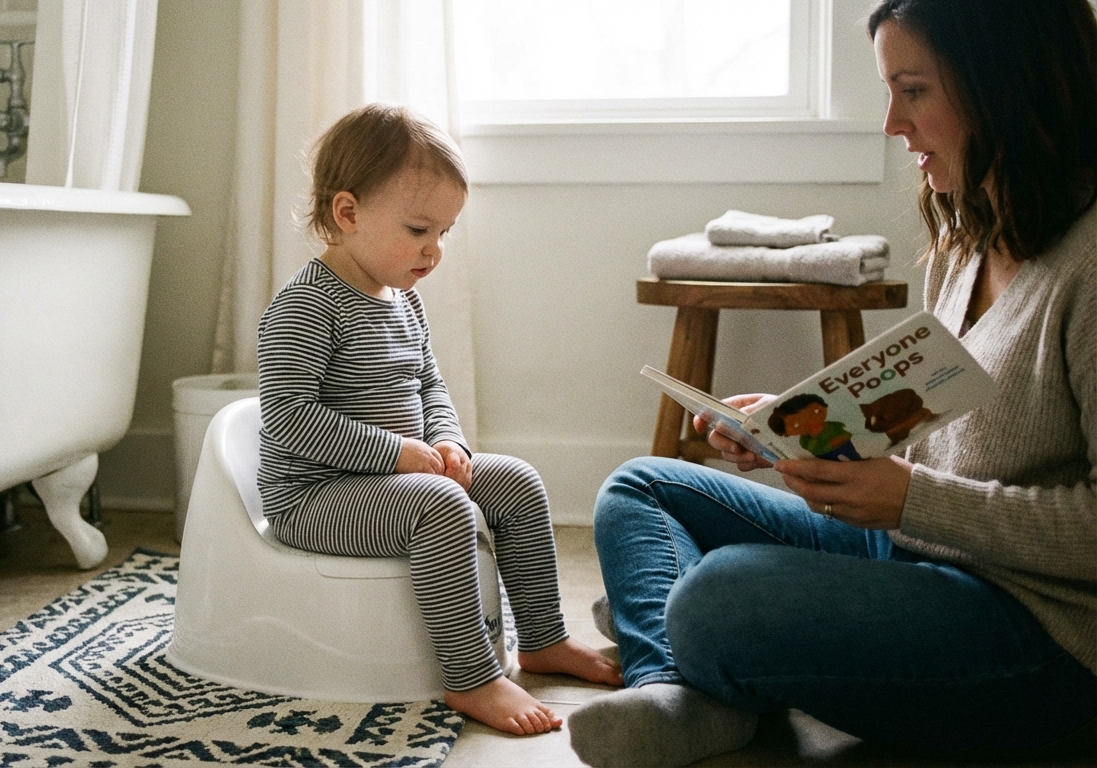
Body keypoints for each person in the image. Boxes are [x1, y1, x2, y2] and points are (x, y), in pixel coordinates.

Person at [567, 0, 1097, 765]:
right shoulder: (971, 227)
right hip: (922, 554)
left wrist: (914, 498)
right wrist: (796, 427)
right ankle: (677, 686)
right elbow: (944, 418)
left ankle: (683, 635)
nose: (891, 124)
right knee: (642, 488)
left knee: (718, 595)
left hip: (1041, 635)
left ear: (1005, 86)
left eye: (913, 91)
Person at [256, 103, 621, 736]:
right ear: (347, 213)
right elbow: (288, 418)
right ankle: (471, 676)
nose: (435, 250)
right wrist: (398, 455)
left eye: (446, 234)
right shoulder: (306, 305)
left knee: (516, 480)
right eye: (420, 230)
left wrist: (446, 438)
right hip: (312, 495)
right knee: (440, 507)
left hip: (394, 480)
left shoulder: (402, 299)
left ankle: (541, 638)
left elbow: (428, 385)